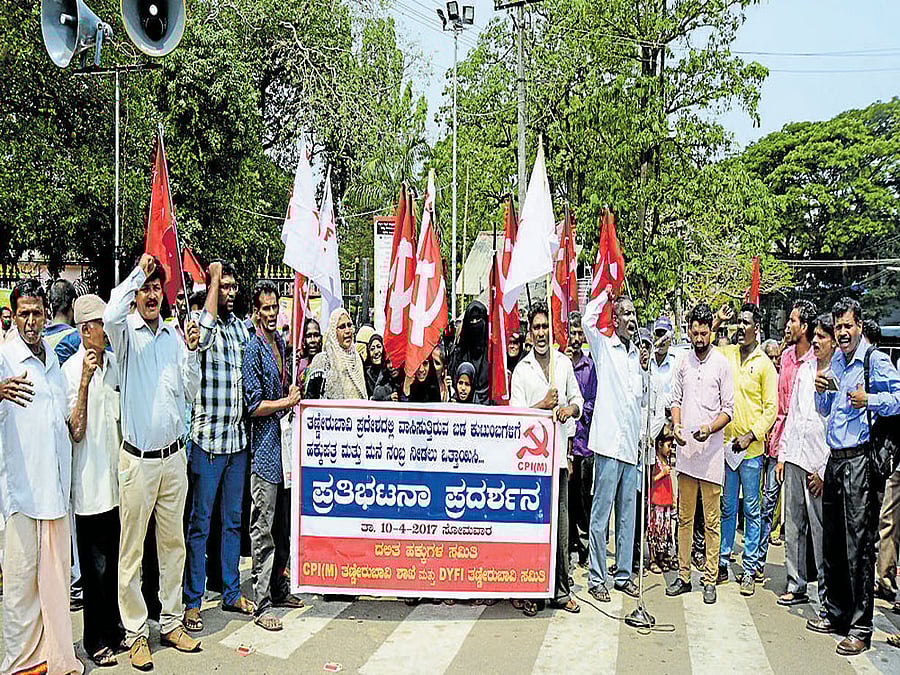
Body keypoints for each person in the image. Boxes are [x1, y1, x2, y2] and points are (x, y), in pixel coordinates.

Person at [104, 255, 202, 670]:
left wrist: (194, 353)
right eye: (145, 288)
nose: (151, 295)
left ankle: (172, 621)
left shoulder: (174, 338)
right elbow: (109, 313)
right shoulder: (126, 334)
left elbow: (191, 391)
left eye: (156, 287)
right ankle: (136, 632)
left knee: (172, 546)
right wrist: (135, 274)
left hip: (173, 459)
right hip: (138, 463)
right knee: (131, 553)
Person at [0, 279, 84, 675]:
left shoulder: (51, 357)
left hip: (54, 492)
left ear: (46, 314)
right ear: (13, 317)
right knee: (19, 588)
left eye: (37, 313)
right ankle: (20, 663)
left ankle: (53, 656)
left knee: (54, 587)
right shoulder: (5, 357)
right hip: (20, 493)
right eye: (23, 314)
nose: (31, 321)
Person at [810, 297, 900, 656]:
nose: (842, 332)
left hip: (861, 460)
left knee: (858, 547)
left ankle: (861, 627)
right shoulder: (837, 361)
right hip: (836, 459)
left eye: (847, 326)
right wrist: (821, 394)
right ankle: (837, 612)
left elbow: (898, 397)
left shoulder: (874, 360)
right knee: (833, 541)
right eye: (838, 327)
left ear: (859, 325)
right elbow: (828, 410)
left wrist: (871, 399)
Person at [185, 260, 254, 629]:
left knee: (232, 523)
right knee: (200, 525)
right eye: (221, 286)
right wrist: (210, 279)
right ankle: (193, 600)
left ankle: (230, 592)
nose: (228, 292)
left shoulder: (241, 330)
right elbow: (206, 333)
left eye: (230, 286)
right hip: (207, 443)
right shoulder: (197, 323)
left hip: (236, 443)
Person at [62, 295, 125, 667]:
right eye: (103, 324)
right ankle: (94, 638)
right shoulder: (70, 371)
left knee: (115, 563)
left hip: (118, 484)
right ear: (87, 330)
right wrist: (85, 382)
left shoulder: (115, 365)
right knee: (94, 567)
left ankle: (115, 629)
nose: (108, 330)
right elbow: (76, 430)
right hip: (88, 487)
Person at [510, 302, 583, 615]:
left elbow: (578, 401)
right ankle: (530, 589)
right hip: (530, 466)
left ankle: (561, 590)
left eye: (545, 327)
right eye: (536, 327)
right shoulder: (522, 371)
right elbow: (515, 416)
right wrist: (542, 404)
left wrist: (569, 409)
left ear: (551, 330)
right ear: (530, 332)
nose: (541, 333)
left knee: (561, 526)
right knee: (532, 529)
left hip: (558, 462)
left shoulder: (563, 364)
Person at [242, 281, 304, 632]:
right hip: (264, 451)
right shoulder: (253, 349)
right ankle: (262, 600)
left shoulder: (280, 343)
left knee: (282, 526)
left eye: (274, 307)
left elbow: (281, 393)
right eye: (264, 309)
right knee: (262, 528)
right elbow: (254, 406)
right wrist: (285, 402)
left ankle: (279, 587)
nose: (270, 314)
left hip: (285, 450)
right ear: (255, 312)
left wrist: (290, 392)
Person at [666, 302, 733, 605]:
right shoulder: (683, 362)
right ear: (690, 331)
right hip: (686, 454)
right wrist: (677, 426)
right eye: (694, 332)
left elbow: (728, 410)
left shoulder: (721, 364)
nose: (699, 338)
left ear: (710, 332)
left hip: (711, 455)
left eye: (704, 332)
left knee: (711, 521)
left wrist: (709, 428)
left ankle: (709, 578)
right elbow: (676, 399)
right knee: (683, 518)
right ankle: (683, 576)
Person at [581, 287, 644, 602]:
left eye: (633, 314)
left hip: (631, 448)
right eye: (625, 314)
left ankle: (622, 575)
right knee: (601, 514)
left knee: (627, 516)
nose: (631, 319)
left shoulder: (637, 357)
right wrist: (605, 296)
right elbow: (586, 321)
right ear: (615, 320)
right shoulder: (605, 348)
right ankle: (596, 577)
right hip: (607, 447)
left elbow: (642, 402)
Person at [712, 303, 777, 595]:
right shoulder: (729, 355)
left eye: (746, 322)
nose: (740, 327)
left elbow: (771, 409)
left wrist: (751, 435)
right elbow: (706, 346)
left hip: (750, 451)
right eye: (738, 322)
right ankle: (723, 562)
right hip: (727, 449)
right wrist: (716, 322)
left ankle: (749, 568)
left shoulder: (764, 364)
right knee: (727, 507)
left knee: (752, 510)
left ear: (757, 328)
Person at [775, 313, 833, 610]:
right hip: (796, 457)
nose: (819, 342)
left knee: (820, 531)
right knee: (793, 526)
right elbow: (794, 416)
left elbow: (835, 427)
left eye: (824, 337)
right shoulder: (805, 369)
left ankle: (825, 595)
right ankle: (795, 584)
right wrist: (783, 455)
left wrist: (822, 469)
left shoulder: (837, 374)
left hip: (817, 464)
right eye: (819, 336)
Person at [760, 300, 816, 572]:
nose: (787, 326)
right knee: (768, 504)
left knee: (806, 516)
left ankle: (808, 574)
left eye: (793, 321)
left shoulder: (816, 363)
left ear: (804, 327)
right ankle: (757, 564)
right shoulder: (785, 357)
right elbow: (780, 405)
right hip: (778, 444)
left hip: (806, 450)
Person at [567, 312, 596, 567]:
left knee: (584, 495)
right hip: (564, 443)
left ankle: (586, 544)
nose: (576, 338)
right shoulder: (560, 364)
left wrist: (578, 414)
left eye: (580, 333)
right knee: (568, 493)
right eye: (572, 333)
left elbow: (592, 401)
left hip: (584, 442)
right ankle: (570, 542)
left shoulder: (589, 367)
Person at [306, 308, 368, 400]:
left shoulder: (357, 359)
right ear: (333, 332)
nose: (347, 330)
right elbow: (311, 399)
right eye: (342, 327)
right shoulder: (323, 360)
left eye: (349, 325)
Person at [448, 300, 490, 404]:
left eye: (478, 319)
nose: (475, 323)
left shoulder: (492, 356)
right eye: (472, 320)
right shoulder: (458, 354)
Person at [648, 426, 677, 574]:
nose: (670, 449)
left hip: (666, 503)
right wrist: (662, 474)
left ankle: (662, 557)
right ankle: (653, 559)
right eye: (668, 446)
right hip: (656, 503)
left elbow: (670, 482)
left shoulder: (667, 460)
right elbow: (651, 480)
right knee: (654, 532)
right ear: (659, 445)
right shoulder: (655, 462)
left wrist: (673, 499)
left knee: (664, 532)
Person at [364, 333, 396, 401]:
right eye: (372, 349)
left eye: (379, 347)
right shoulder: (365, 374)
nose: (376, 352)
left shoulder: (391, 371)